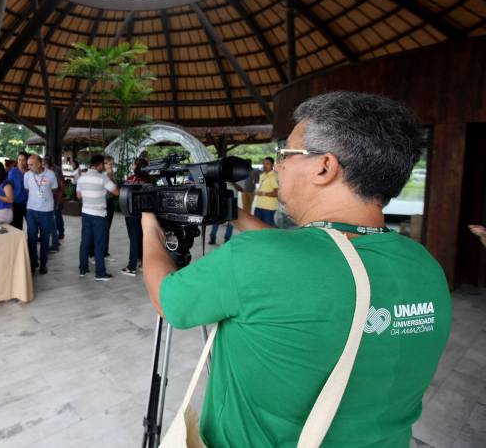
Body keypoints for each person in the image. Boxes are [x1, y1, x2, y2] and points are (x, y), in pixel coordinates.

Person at [141, 91, 451, 447]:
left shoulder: (256, 258)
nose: (281, 165)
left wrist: (150, 227)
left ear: (324, 167)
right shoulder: (424, 265)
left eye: (285, 153)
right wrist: (238, 216)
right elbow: (324, 256)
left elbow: (170, 300)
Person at [77, 154, 119, 281]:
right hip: (99, 215)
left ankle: (83, 269)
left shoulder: (81, 178)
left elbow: (79, 196)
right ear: (100, 165)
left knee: (85, 241)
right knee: (99, 243)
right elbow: (116, 192)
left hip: (85, 213)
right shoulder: (103, 178)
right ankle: (100, 273)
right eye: (104, 165)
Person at [24, 154, 58, 275]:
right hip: (31, 211)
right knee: (31, 238)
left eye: (31, 164)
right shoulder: (27, 175)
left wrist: (51, 203)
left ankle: (43, 264)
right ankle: (33, 263)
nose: (28, 167)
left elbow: (54, 190)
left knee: (44, 239)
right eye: (28, 165)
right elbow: (28, 190)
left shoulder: (50, 174)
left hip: (46, 212)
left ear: (39, 164)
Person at [121, 157, 149, 277]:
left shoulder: (130, 180)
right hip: (146, 214)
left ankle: (132, 266)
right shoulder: (150, 180)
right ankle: (143, 263)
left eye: (134, 164)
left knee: (134, 239)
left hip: (131, 214)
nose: (132, 166)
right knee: (143, 238)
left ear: (137, 166)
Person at [44, 155, 65, 251]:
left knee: (56, 217)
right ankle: (54, 241)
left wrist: (61, 196)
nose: (46, 161)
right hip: (48, 199)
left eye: (48, 160)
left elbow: (61, 183)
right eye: (45, 160)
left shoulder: (56, 170)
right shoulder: (44, 170)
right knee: (51, 220)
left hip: (55, 198)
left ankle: (59, 234)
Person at [253, 156, 278, 226]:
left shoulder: (274, 176)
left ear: (272, 165)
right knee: (256, 227)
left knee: (267, 229)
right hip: (259, 206)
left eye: (267, 164)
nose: (264, 165)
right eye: (264, 163)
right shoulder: (262, 175)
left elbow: (277, 193)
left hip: (268, 208)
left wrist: (263, 193)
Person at [7, 151, 29, 229]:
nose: (21, 162)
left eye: (23, 160)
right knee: (18, 226)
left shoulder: (30, 171)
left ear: (27, 161)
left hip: (29, 203)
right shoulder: (13, 172)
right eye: (19, 160)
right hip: (16, 203)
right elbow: (9, 188)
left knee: (32, 225)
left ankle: (31, 241)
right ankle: (20, 241)